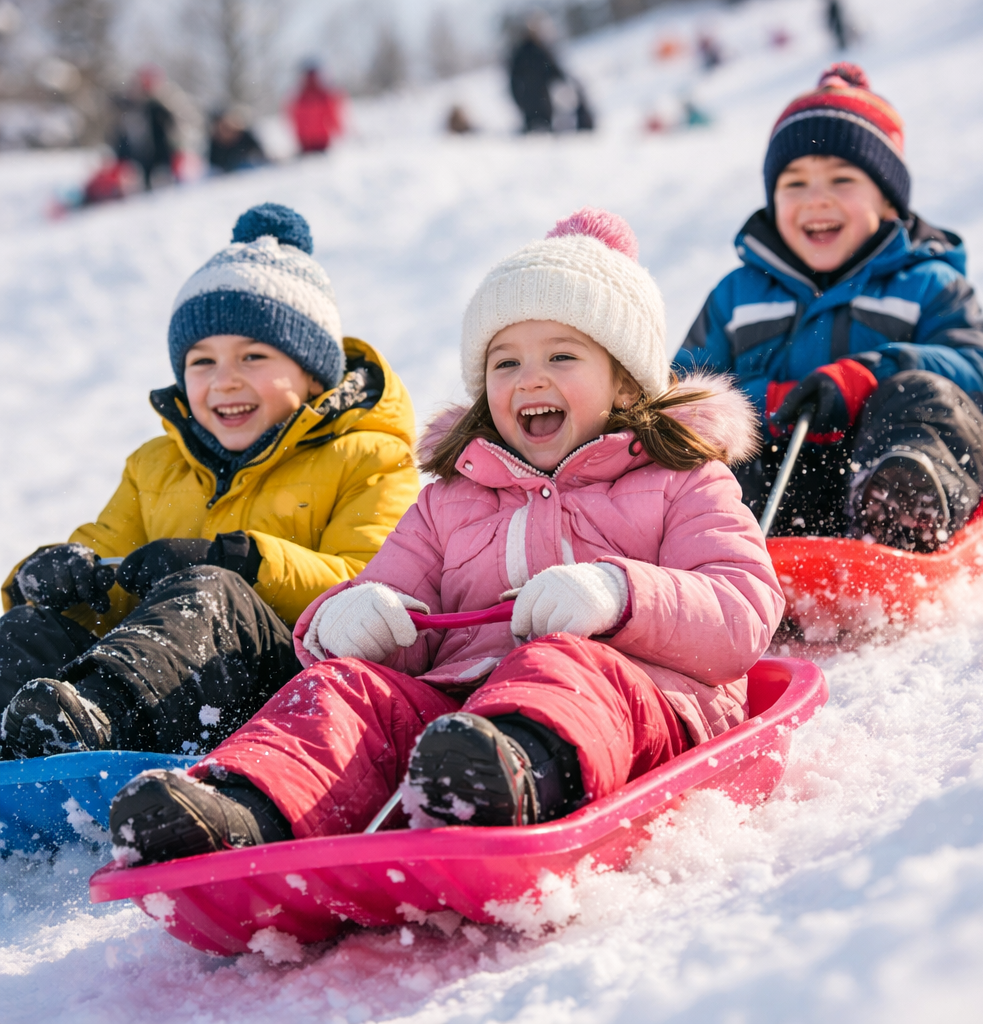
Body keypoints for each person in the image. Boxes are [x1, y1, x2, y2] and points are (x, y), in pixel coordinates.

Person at [107, 207, 784, 865]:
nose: (531, 379)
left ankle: (513, 772)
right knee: (347, 689)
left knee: (562, 661)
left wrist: (620, 594)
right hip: (453, 728)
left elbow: (743, 609)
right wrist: (349, 619)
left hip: (635, 708)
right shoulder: (450, 501)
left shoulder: (683, 479)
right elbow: (389, 599)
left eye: (562, 355)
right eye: (505, 363)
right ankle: (244, 807)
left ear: (628, 382)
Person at [0, 203, 419, 759]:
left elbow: (372, 589)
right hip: (157, 679)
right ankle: (25, 742)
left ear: (312, 372)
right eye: (202, 362)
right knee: (30, 627)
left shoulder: (368, 457)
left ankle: (90, 733)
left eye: (253, 356)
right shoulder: (155, 465)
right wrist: (48, 576)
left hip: (279, 688)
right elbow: (103, 564)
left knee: (214, 592)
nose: (225, 381)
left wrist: (243, 562)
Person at [673, 64, 983, 551]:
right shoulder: (737, 296)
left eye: (842, 180)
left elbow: (982, 373)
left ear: (889, 203)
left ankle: (902, 520)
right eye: (795, 183)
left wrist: (868, 375)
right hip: (768, 496)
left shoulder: (928, 283)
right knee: (701, 437)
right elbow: (679, 391)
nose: (817, 200)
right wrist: (752, 406)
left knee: (929, 393)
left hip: (879, 470)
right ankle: (718, 550)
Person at [287, 65, 345, 155]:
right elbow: (332, 115)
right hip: (313, 141)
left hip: (314, 141)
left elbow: (295, 118)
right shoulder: (304, 97)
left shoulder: (304, 96)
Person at [207, 108, 267, 174]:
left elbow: (259, 154)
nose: (224, 130)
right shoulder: (215, 143)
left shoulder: (244, 136)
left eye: (226, 126)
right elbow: (214, 165)